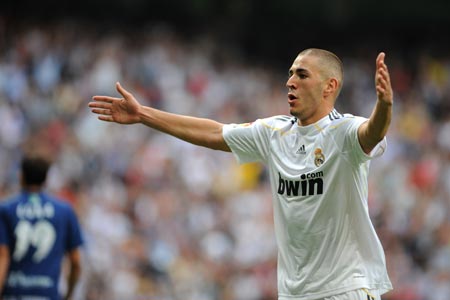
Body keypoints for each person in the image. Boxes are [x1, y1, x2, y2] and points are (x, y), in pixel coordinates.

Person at [88, 48, 393, 300]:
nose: (290, 82)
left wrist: (384, 106)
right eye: (289, 73)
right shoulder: (274, 133)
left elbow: (372, 132)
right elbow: (214, 132)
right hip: (294, 293)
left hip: (345, 289)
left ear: (330, 86)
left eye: (301, 75)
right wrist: (144, 115)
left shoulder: (344, 132)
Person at [0, 154, 84, 300]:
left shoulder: (6, 209)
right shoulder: (64, 211)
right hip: (47, 294)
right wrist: (69, 294)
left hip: (13, 293)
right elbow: (76, 262)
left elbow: (2, 257)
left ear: (21, 176)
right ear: (46, 179)